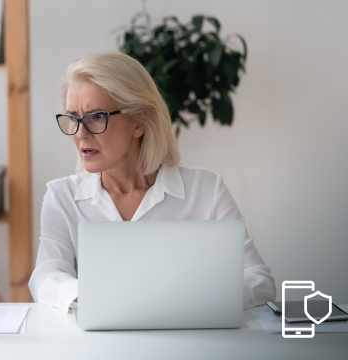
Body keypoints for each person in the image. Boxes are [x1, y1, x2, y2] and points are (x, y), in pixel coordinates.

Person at [29, 52, 276, 312]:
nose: (81, 133)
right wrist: (97, 294)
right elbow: (46, 277)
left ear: (139, 121)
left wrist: (198, 298)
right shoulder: (61, 197)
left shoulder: (206, 191)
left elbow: (258, 280)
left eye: (96, 117)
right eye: (73, 118)